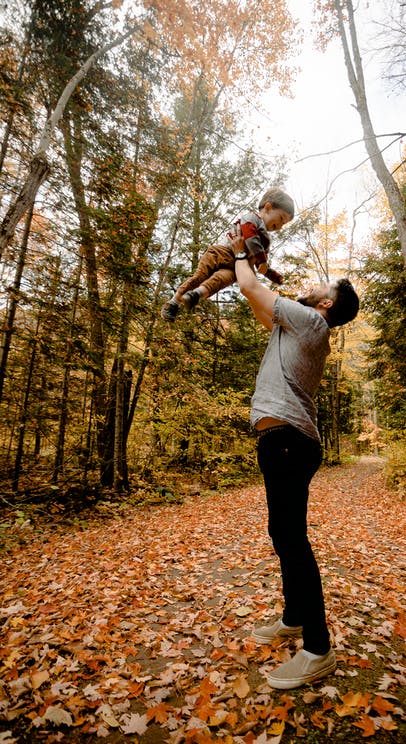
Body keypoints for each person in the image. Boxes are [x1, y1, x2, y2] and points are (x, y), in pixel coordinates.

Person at [229, 225, 359, 690]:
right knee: (283, 535)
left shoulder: (312, 323)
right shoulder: (296, 324)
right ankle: (294, 618)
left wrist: (239, 252)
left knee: (293, 540)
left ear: (326, 304)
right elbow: (255, 300)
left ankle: (318, 648)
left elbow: (248, 286)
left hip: (288, 441)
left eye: (324, 287)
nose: (315, 285)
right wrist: (253, 267)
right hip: (281, 442)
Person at [161, 188, 294, 322]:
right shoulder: (252, 218)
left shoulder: (265, 240)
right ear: (268, 207)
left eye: (284, 224)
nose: (280, 226)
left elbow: (259, 263)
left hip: (234, 265)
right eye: (281, 218)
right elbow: (250, 237)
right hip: (219, 252)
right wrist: (262, 259)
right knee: (199, 276)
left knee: (221, 280)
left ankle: (196, 295)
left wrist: (271, 274)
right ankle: (173, 302)